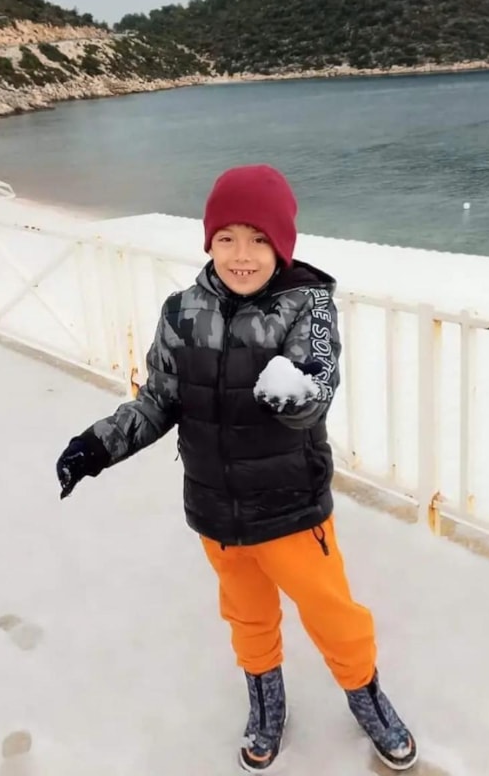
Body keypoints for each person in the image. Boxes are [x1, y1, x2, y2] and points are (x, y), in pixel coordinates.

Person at [55, 164, 417, 772]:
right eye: (227, 238)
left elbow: (318, 385)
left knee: (333, 614)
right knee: (246, 615)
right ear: (209, 242)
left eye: (257, 239)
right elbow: (158, 401)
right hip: (215, 509)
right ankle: (266, 703)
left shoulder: (308, 305)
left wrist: (294, 397)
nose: (241, 255)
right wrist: (97, 446)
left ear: (281, 246)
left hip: (290, 507)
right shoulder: (181, 312)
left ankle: (366, 696)